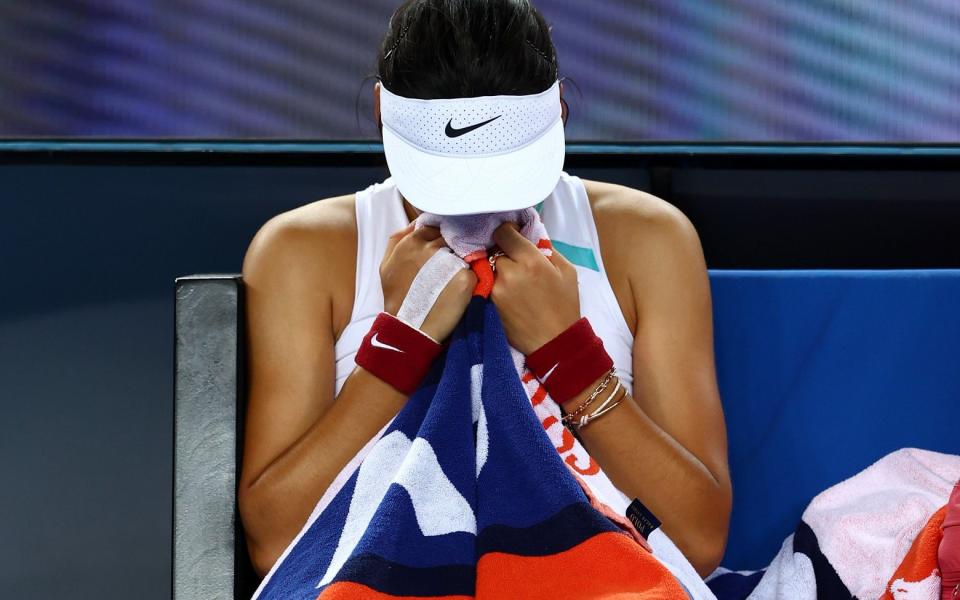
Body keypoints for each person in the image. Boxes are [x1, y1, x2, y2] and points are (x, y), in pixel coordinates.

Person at [237, 0, 732, 590]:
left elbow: (697, 543)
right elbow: (274, 545)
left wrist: (568, 357)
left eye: (503, 173)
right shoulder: (300, 252)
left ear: (561, 114)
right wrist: (398, 347)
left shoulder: (649, 239)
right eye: (445, 178)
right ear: (380, 112)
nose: (475, 209)